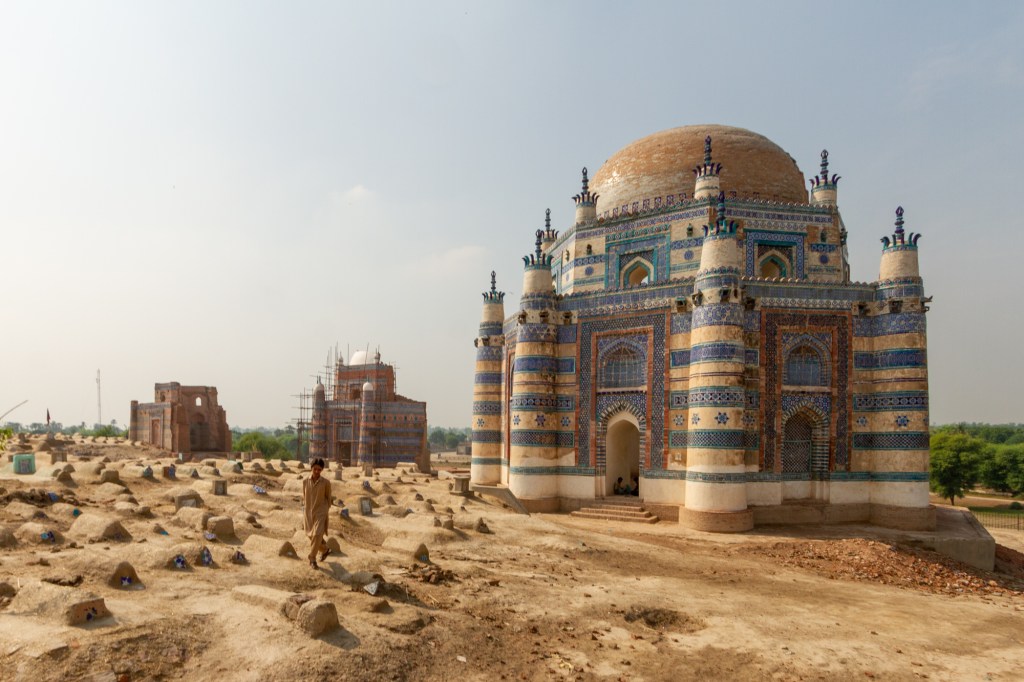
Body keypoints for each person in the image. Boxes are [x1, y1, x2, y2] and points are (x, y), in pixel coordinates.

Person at [302, 458, 332, 569]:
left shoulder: (326, 483)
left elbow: (328, 498)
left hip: (321, 511)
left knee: (317, 533)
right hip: (309, 511)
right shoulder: (305, 481)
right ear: (311, 468)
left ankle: (312, 558)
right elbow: (304, 496)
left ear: (322, 470)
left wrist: (325, 510)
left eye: (319, 470)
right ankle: (324, 549)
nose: (316, 471)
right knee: (311, 535)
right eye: (315, 469)